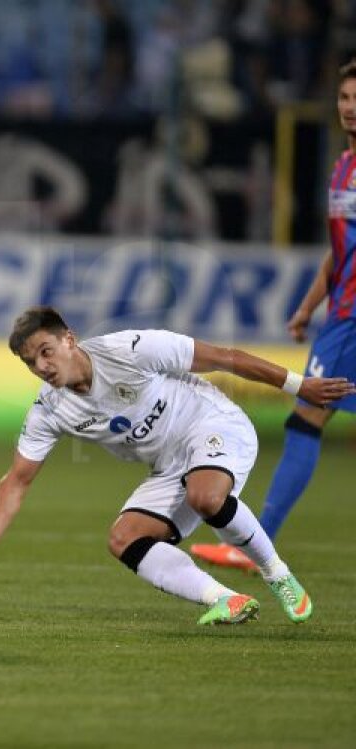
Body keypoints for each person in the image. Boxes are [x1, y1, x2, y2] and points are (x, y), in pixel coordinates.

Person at [0, 306, 355, 626]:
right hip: (170, 465)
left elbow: (225, 358)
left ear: (69, 340)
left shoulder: (130, 349)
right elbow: (17, 481)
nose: (41, 367)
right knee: (123, 539)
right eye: (30, 362)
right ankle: (224, 599)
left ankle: (276, 572)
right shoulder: (50, 411)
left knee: (205, 496)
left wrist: (302, 386)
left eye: (45, 352)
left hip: (214, 425)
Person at [192, 59, 356, 572]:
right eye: (345, 98)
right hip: (341, 317)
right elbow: (340, 253)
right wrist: (309, 305)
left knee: (305, 418)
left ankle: (255, 546)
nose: (350, 108)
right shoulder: (341, 170)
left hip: (351, 323)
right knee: (305, 421)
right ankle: (257, 544)